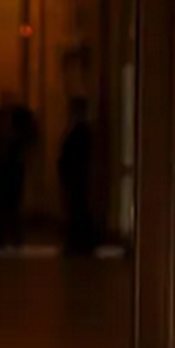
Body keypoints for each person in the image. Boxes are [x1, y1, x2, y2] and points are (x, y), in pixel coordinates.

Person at [0, 90, 38, 249]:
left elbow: (30, 138)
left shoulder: (21, 118)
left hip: (15, 164)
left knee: (14, 203)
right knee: (1, 203)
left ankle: (15, 238)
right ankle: (1, 238)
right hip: (1, 164)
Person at [57, 97, 97, 256]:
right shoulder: (77, 130)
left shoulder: (81, 131)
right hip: (74, 176)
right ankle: (78, 242)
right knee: (76, 209)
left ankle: (80, 243)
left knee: (77, 209)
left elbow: (77, 156)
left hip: (77, 177)